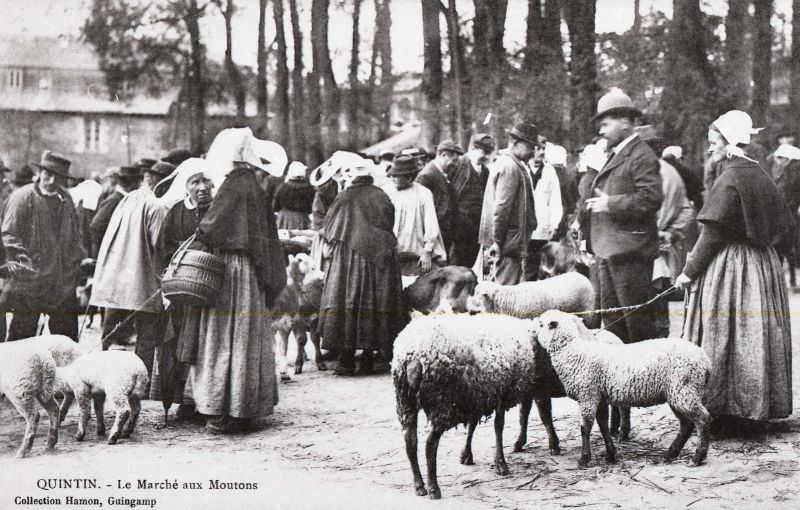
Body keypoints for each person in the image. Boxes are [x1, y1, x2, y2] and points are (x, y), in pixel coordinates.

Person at [676, 110, 793, 423]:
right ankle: (756, 406)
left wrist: (689, 272)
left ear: (729, 144)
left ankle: (726, 409)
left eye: (714, 143)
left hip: (733, 264)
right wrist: (772, 263)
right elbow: (786, 227)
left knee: (726, 331)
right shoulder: (761, 174)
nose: (710, 149)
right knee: (755, 334)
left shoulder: (730, 178)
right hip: (763, 264)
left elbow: (713, 234)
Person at [186, 128, 285, 434]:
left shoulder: (232, 186)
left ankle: (219, 410)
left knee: (221, 337)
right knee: (245, 336)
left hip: (229, 270)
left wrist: (196, 240)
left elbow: (211, 228)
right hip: (250, 272)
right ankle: (244, 408)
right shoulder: (254, 185)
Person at [584, 89, 662, 345]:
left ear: (626, 122)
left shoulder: (642, 155)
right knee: (614, 326)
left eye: (606, 124)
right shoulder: (616, 154)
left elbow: (651, 198)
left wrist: (610, 203)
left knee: (637, 325)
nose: (601, 131)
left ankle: (650, 381)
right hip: (609, 252)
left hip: (631, 254)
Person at [90, 160, 173, 389]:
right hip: (141, 280)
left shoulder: (129, 198)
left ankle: (97, 379)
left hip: (116, 276)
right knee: (146, 336)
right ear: (163, 184)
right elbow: (160, 247)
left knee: (108, 334)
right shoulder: (157, 207)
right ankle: (140, 386)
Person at [319, 161, 406, 376]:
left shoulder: (344, 197)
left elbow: (329, 227)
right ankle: (369, 356)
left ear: (352, 177)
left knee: (347, 299)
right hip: (379, 257)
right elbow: (388, 222)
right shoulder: (381, 195)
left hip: (348, 258)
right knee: (376, 301)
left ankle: (346, 358)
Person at [152, 157, 216, 419]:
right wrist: (166, 283)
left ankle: (206, 400)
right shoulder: (176, 212)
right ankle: (184, 400)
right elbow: (162, 251)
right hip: (180, 292)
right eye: (195, 181)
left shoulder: (218, 210)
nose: (201, 187)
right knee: (178, 345)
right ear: (185, 185)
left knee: (206, 345)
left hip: (210, 291)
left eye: (205, 181)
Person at [1, 151, 85, 341]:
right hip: (30, 284)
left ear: (65, 180)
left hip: (60, 284)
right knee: (22, 339)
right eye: (48, 174)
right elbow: (9, 235)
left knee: (65, 341)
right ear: (40, 173)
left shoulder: (66, 200)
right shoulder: (22, 198)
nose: (52, 180)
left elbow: (74, 236)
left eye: (58, 177)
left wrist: (76, 262)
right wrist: (24, 263)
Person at [636, 125, 696, 337]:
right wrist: (672, 233)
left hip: (641, 249)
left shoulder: (642, 173)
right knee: (659, 296)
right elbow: (687, 209)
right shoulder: (672, 173)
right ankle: (662, 338)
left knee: (644, 300)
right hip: (660, 249)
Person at [477, 122, 540, 285]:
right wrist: (497, 242)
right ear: (516, 143)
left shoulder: (510, 164)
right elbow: (501, 208)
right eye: (530, 146)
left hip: (507, 243)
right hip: (506, 245)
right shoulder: (510, 167)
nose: (533, 151)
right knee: (503, 292)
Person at [382, 155, 446, 276]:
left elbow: (431, 223)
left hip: (416, 248)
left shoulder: (423, 193)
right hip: (392, 248)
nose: (393, 178)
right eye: (392, 175)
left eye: (397, 176)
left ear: (409, 177)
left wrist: (427, 250)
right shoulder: (386, 191)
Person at [447, 133, 494, 267]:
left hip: (476, 225)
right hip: (459, 224)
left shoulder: (485, 171)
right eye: (483, 151)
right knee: (457, 261)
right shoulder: (459, 164)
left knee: (472, 261)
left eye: (488, 153)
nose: (485, 156)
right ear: (473, 149)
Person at [525, 142, 564, 280]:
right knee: (525, 268)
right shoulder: (522, 168)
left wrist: (554, 224)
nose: (541, 152)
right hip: (524, 228)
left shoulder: (549, 171)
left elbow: (555, 200)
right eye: (537, 148)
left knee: (541, 267)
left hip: (542, 228)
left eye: (543, 149)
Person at [416, 140, 462, 250]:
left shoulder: (442, 173)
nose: (455, 165)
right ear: (443, 155)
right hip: (435, 234)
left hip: (444, 231)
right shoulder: (426, 176)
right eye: (454, 160)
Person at [90, 165, 143, 257]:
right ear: (133, 183)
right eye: (138, 182)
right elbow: (96, 226)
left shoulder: (125, 199)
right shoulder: (115, 200)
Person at [273, 161, 314, 230]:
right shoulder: (308, 188)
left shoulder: (283, 187)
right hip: (301, 218)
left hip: (284, 217)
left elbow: (276, 205)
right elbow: (311, 207)